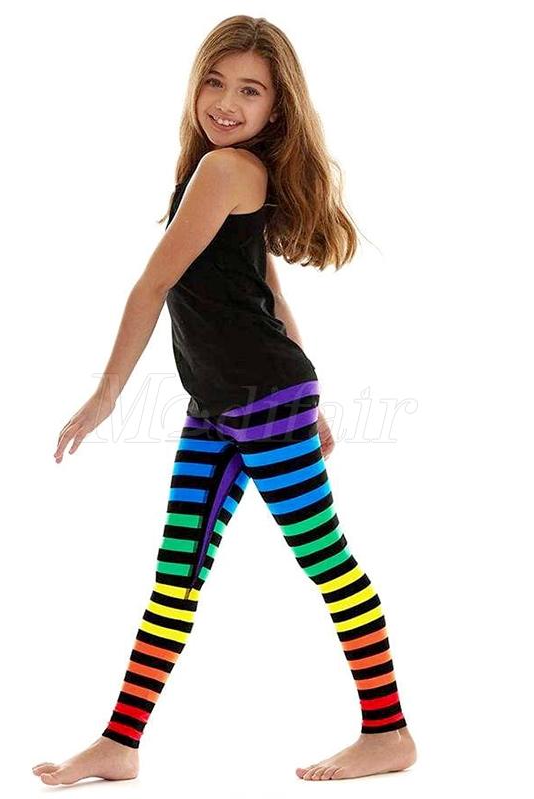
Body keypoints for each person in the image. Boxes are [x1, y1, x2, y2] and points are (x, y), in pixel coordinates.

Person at [32, 15, 417, 785]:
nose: (227, 103)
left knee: (327, 561)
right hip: (226, 404)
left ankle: (389, 731)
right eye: (215, 82)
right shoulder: (218, 170)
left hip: (260, 400)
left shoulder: (225, 170)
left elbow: (154, 283)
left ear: (276, 109)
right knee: (178, 573)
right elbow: (268, 290)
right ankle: (119, 741)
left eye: (250, 91)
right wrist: (312, 398)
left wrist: (106, 393)